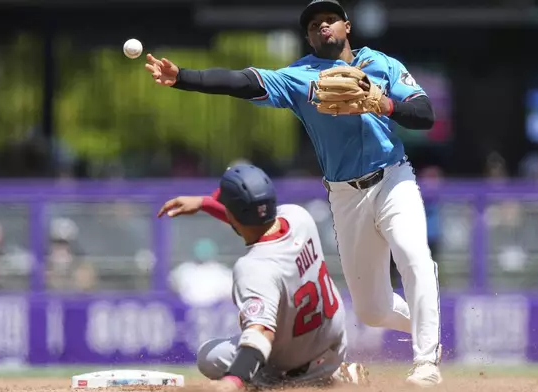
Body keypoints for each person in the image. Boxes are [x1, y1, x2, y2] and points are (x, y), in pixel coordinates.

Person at [146, 0, 442, 386]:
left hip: (393, 179)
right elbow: (243, 81)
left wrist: (384, 103)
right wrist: (182, 76)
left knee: (414, 256)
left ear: (347, 26)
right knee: (372, 310)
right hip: (344, 195)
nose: (323, 26)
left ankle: (425, 363)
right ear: (307, 36)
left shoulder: (381, 65)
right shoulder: (300, 76)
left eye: (330, 20)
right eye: (314, 24)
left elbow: (424, 114)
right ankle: (428, 323)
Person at [157, 164, 368, 391]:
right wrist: (204, 203)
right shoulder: (300, 217)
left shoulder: (253, 267)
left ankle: (289, 383)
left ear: (230, 213)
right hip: (333, 346)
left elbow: (261, 334)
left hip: (291, 364)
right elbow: (255, 219)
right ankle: (335, 371)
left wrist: (233, 381)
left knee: (209, 355)